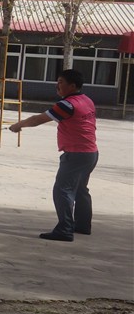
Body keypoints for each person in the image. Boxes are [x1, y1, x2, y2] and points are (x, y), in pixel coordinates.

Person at [9, 69, 98, 242]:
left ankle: (65, 230)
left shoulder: (67, 104)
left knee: (62, 190)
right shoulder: (87, 100)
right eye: (57, 81)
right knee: (80, 189)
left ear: (72, 86)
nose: (57, 85)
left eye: (61, 82)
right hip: (91, 153)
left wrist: (19, 125)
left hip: (76, 154)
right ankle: (82, 226)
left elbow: (38, 119)